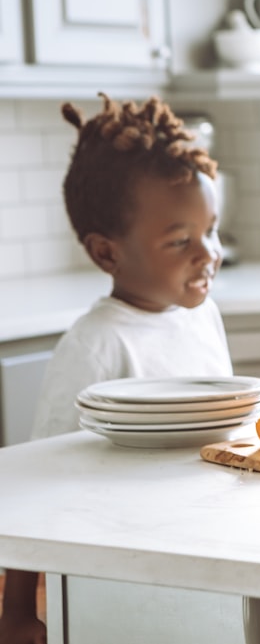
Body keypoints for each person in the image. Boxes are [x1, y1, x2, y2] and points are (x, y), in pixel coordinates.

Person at [0, 93, 231, 644]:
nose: (209, 254)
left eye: (211, 230)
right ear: (107, 254)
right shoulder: (95, 347)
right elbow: (38, 489)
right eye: (181, 241)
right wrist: (14, 612)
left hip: (203, 562)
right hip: (114, 585)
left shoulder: (203, 319)